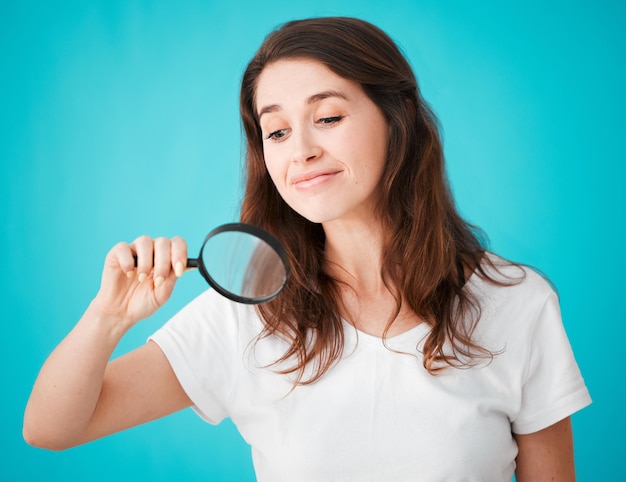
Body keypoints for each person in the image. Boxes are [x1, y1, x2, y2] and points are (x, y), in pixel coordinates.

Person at [23, 17, 591, 481]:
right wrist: (107, 318)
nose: (301, 151)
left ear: (398, 122)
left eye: (327, 117)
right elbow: (50, 429)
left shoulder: (515, 302)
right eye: (276, 132)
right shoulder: (246, 313)